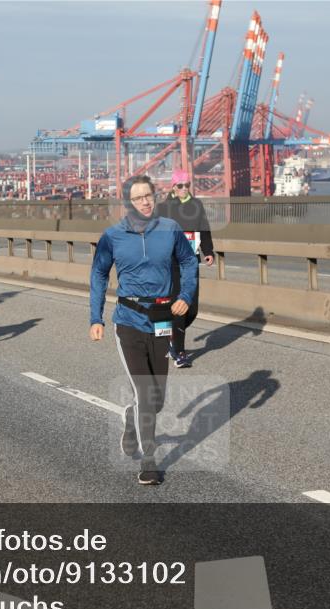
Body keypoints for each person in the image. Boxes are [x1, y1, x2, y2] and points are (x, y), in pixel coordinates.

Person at [90, 175, 198, 486]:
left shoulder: (170, 229)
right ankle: (149, 462)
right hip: (128, 321)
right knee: (146, 393)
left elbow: (189, 262)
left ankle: (130, 416)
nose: (145, 202)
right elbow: (99, 275)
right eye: (138, 198)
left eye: (148, 195)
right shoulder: (113, 236)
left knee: (158, 398)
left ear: (155, 196)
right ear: (128, 203)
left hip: (162, 320)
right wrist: (95, 318)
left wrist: (185, 296)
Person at [154, 169, 214, 368]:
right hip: (171, 261)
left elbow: (204, 229)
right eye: (180, 185)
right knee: (180, 304)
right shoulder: (163, 208)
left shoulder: (196, 205)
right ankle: (179, 352)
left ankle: (170, 334)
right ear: (173, 187)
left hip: (191, 260)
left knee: (192, 308)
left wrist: (208, 251)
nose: (184, 188)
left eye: (187, 185)